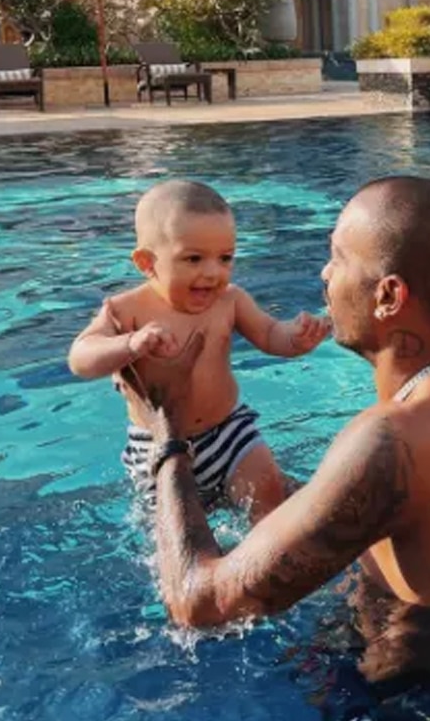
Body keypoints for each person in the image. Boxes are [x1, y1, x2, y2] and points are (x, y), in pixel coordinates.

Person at [121, 176, 430, 682]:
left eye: (338, 258)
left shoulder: (389, 442)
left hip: (412, 691)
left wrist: (168, 433)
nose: (324, 274)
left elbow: (198, 606)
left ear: (389, 295)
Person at [67, 180, 330, 521]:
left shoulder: (230, 300)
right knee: (174, 542)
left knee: (272, 507)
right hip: (156, 447)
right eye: (193, 258)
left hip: (230, 434)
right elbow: (80, 358)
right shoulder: (125, 311)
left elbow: (268, 333)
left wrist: (295, 339)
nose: (212, 272)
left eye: (225, 258)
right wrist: (128, 344)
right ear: (147, 263)